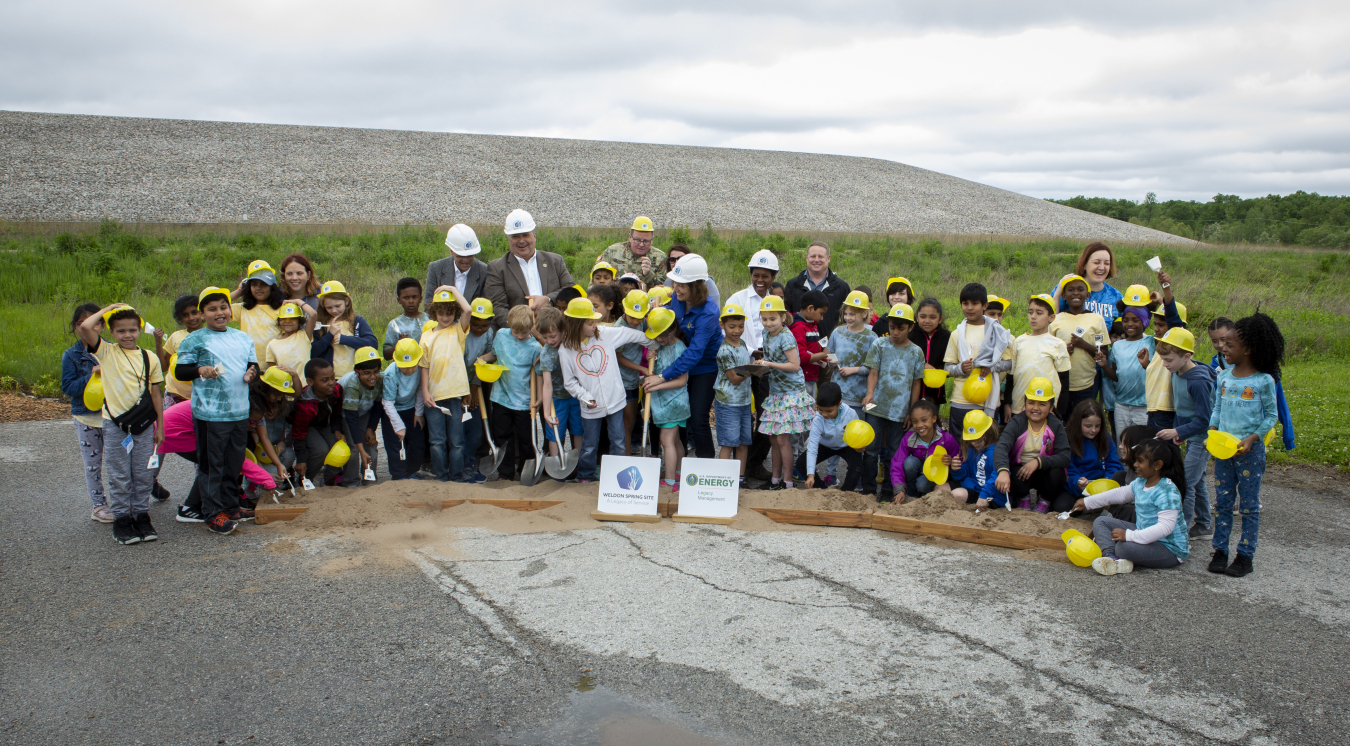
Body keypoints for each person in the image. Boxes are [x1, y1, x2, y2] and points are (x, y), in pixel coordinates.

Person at [172, 287, 259, 535]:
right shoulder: (195, 339)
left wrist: (252, 372)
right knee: (212, 465)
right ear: (202, 314)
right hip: (210, 414)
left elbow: (253, 366)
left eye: (223, 307)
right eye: (212, 309)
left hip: (239, 412)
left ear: (230, 310)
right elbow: (180, 371)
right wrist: (200, 370)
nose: (219, 313)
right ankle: (211, 514)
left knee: (234, 464)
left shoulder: (243, 338)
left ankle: (231, 507)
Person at [1207, 312, 1284, 578]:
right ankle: (1220, 550)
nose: (1223, 348)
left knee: (1249, 505)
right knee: (1223, 503)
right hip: (1224, 451)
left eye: (1229, 345)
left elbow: (1272, 417)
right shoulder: (1224, 377)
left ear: (1248, 349)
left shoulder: (1263, 381)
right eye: (1222, 344)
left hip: (1249, 453)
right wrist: (1213, 430)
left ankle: (1245, 556)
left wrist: (1253, 438)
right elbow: (1217, 408)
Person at [558, 298, 658, 482]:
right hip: (591, 406)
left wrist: (652, 345)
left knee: (619, 441)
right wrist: (585, 397)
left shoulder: (605, 334)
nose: (594, 325)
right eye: (590, 323)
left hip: (615, 400)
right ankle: (585, 476)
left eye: (594, 321)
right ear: (576, 324)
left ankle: (616, 477)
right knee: (589, 444)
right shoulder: (565, 349)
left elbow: (631, 335)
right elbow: (570, 382)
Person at [1075, 438, 1190, 575]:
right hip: (1143, 533)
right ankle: (1111, 558)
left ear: (1158, 465)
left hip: (1168, 548)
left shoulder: (1167, 491)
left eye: (1140, 461)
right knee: (1101, 522)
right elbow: (1119, 494)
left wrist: (1129, 535)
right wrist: (1088, 502)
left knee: (1124, 548)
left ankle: (1118, 554)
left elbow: (1165, 528)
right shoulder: (1141, 482)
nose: (1135, 464)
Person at [648, 254, 723, 460]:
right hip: (681, 364)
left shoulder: (709, 312)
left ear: (697, 286)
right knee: (679, 416)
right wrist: (658, 313)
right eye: (675, 283)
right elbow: (670, 320)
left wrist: (663, 376)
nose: (676, 288)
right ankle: (679, 468)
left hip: (703, 368)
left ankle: (705, 463)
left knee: (698, 418)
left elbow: (695, 353)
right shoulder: (677, 300)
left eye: (681, 284)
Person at [1152, 328, 1216, 540]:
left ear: (1187, 356)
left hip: (1203, 438)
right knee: (1196, 480)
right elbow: (1182, 408)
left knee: (1185, 483)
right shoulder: (1176, 371)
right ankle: (1205, 524)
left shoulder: (1198, 381)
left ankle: (1181, 530)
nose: (1164, 364)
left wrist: (1177, 431)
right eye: (1163, 359)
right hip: (1190, 435)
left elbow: (1205, 419)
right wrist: (1181, 433)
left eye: (1168, 359)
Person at [860, 304, 924, 501]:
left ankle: (888, 488)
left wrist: (912, 412)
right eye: (892, 327)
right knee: (871, 448)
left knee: (895, 452)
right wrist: (870, 392)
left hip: (899, 410)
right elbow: (873, 372)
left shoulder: (916, 352)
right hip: (875, 405)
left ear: (910, 327)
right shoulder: (880, 344)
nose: (895, 332)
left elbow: (916, 383)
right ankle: (869, 488)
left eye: (900, 328)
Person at [725, 248, 779, 480]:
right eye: (756, 274)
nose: (760, 280)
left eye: (765, 276)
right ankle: (738, 467)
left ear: (773, 277)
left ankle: (753, 464)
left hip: (768, 367)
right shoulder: (737, 299)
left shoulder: (776, 301)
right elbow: (725, 333)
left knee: (768, 416)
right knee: (741, 415)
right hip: (742, 364)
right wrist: (751, 351)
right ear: (750, 273)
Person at [62, 303, 112, 523]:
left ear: (101, 326)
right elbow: (68, 387)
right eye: (81, 322)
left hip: (112, 417)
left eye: (93, 321)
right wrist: (91, 376)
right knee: (93, 465)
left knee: (118, 462)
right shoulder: (71, 355)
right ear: (75, 327)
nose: (87, 326)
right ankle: (99, 505)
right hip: (86, 418)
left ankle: (122, 501)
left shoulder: (111, 350)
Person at [756, 295, 812, 490]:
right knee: (773, 436)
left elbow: (795, 365)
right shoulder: (765, 334)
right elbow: (770, 358)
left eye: (773, 319)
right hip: (775, 390)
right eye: (765, 319)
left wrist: (769, 364)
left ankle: (787, 483)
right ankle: (775, 479)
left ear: (783, 317)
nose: (768, 323)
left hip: (791, 392)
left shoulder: (786, 336)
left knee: (782, 438)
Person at [419, 286, 475, 483]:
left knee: (457, 441)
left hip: (455, 394)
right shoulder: (426, 336)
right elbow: (424, 365)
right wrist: (425, 391)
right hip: (434, 396)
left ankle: (457, 477)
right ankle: (442, 477)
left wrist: (452, 288)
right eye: (441, 313)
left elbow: (468, 310)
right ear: (434, 313)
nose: (445, 317)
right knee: (436, 441)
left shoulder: (458, 331)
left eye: (450, 312)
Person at [484, 209, 576, 329]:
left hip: (556, 331)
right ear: (509, 239)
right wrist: (523, 329)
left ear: (534, 236)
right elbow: (497, 307)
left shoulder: (555, 261)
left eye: (526, 235)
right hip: (518, 336)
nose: (521, 241)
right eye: (516, 236)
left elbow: (571, 289)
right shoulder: (497, 268)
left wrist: (547, 299)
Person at [479, 305, 541, 481]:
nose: (520, 337)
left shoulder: (535, 347)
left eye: (525, 332)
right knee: (501, 437)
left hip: (524, 401)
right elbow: (495, 355)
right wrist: (482, 361)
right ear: (508, 324)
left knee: (526, 439)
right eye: (516, 332)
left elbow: (538, 374)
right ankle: (505, 474)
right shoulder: (501, 336)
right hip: (501, 397)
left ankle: (525, 472)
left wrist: (537, 399)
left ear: (532, 327)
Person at [992, 376, 1071, 513]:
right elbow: (1001, 447)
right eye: (1031, 403)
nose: (1036, 408)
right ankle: (1023, 499)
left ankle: (1045, 501)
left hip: (1045, 471)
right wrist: (1003, 470)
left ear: (1051, 407)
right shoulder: (1017, 422)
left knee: (1058, 473)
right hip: (1022, 471)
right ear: (1025, 404)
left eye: (1042, 404)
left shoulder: (1056, 425)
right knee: (1013, 472)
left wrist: (1038, 462)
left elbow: (1065, 456)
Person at [944, 283, 1012, 435]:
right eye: (965, 303)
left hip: (988, 400)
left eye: (975, 303)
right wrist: (960, 368)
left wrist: (991, 367)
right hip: (961, 400)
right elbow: (947, 368)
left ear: (984, 305)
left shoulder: (998, 332)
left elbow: (1009, 363)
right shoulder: (957, 334)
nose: (969, 307)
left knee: (986, 444)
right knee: (959, 444)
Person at [826, 291, 876, 487]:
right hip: (839, 394)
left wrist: (855, 369)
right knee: (834, 434)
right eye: (846, 313)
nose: (848, 318)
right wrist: (831, 362)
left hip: (859, 396)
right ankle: (830, 474)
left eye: (853, 314)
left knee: (857, 438)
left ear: (865, 313)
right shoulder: (838, 333)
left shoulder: (871, 337)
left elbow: (873, 368)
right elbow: (829, 354)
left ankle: (856, 479)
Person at [643, 309, 692, 492]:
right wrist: (652, 357)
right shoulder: (660, 346)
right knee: (676, 440)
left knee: (666, 440)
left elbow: (681, 380)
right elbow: (658, 370)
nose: (659, 339)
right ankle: (678, 472)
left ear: (672, 330)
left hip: (675, 402)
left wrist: (655, 386)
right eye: (656, 336)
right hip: (664, 403)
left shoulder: (679, 348)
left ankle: (670, 480)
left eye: (661, 335)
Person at [1048, 275, 1108, 420]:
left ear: (1087, 295)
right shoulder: (1056, 320)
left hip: (1086, 384)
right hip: (1061, 383)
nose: (1075, 293)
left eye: (1080, 289)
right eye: (1071, 290)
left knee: (1083, 421)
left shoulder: (1096, 319)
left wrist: (1084, 345)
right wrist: (1063, 351)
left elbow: (1103, 353)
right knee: (1062, 420)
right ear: (1064, 295)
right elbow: (1048, 351)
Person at [289, 359, 353, 489]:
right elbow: (298, 433)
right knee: (320, 450)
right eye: (325, 380)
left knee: (337, 445)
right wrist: (301, 460)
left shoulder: (336, 390)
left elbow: (337, 412)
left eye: (333, 378)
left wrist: (337, 429)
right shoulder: (305, 405)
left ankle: (330, 478)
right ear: (310, 382)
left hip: (325, 423)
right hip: (307, 427)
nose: (331, 383)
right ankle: (304, 480)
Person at [537, 306, 583, 479]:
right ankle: (556, 465)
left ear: (563, 330)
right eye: (545, 337)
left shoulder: (573, 344)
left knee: (578, 430)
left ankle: (578, 464)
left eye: (553, 336)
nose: (549, 340)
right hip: (558, 398)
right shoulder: (547, 353)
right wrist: (547, 411)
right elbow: (547, 384)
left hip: (576, 396)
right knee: (555, 431)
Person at [1008, 294, 1071, 418]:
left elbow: (1064, 380)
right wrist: (1007, 403)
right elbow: (1011, 374)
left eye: (1039, 313)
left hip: (1046, 408)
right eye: (1030, 312)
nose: (1033, 316)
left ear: (1051, 317)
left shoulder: (1057, 344)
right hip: (1019, 406)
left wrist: (1060, 411)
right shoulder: (1020, 341)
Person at [1099, 285, 1153, 429]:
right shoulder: (1117, 346)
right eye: (1126, 320)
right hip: (1121, 405)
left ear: (1146, 321)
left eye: (1136, 320)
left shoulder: (1150, 342)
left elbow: (1172, 326)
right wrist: (1104, 365)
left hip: (1144, 406)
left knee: (1141, 445)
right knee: (1123, 445)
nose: (1130, 324)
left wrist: (1161, 299)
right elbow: (1117, 376)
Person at [714, 303, 754, 486]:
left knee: (744, 441)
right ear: (722, 325)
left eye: (740, 326)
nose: (737, 330)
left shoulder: (742, 343)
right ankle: (723, 477)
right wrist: (753, 371)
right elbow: (734, 378)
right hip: (728, 402)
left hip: (744, 401)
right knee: (728, 442)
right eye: (732, 326)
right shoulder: (724, 351)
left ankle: (740, 477)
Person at [799, 382, 863, 491]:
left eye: (829, 411)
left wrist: (859, 445)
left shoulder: (851, 414)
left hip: (846, 445)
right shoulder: (818, 419)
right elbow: (812, 447)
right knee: (801, 463)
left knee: (857, 466)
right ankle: (822, 490)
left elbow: (858, 433)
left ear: (839, 404)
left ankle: (846, 492)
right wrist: (810, 475)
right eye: (820, 409)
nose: (824, 414)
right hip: (825, 445)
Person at [1144, 270, 1187, 431]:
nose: (1156, 329)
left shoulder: (1175, 340)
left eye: (1161, 325)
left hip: (1165, 410)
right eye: (1155, 324)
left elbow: (1173, 318)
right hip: (1154, 408)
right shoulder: (1161, 345)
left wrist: (1166, 289)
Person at [892, 399, 958, 500]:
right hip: (918, 471)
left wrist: (951, 462)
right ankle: (911, 494)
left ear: (934, 419)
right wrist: (899, 489)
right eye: (915, 422)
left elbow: (959, 460)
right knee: (909, 462)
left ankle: (926, 496)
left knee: (922, 485)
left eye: (924, 420)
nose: (919, 425)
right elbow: (897, 462)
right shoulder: (909, 438)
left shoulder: (946, 439)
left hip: (935, 474)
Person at [310, 280, 378, 379]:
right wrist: (329, 335)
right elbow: (313, 352)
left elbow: (373, 343)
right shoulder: (320, 325)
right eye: (329, 307)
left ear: (346, 301)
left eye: (338, 306)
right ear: (323, 306)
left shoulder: (357, 321)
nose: (334, 310)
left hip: (354, 377)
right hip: (331, 379)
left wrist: (344, 339)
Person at [784, 242, 850, 338]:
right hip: (799, 344)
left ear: (828, 258)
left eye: (821, 256)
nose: (816, 260)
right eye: (813, 256)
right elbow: (786, 315)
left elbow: (847, 318)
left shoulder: (841, 287)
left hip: (830, 345)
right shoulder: (793, 284)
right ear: (807, 258)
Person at [381, 338, 425, 481]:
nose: (410, 370)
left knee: (416, 442)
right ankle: (398, 475)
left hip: (411, 408)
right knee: (395, 444)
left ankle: (411, 472)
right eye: (404, 366)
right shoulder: (390, 374)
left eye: (413, 365)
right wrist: (398, 425)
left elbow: (420, 389)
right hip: (392, 410)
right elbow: (387, 402)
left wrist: (418, 413)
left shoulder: (420, 369)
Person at [340, 347, 385, 487]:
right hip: (346, 414)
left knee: (371, 444)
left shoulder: (381, 379)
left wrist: (371, 428)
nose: (372, 377)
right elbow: (352, 420)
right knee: (353, 447)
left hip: (365, 412)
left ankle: (369, 478)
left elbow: (378, 405)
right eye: (367, 373)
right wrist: (361, 450)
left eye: (375, 372)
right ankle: (351, 481)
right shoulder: (351, 386)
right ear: (357, 372)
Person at [463, 298, 496, 480]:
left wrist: (475, 385)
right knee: (459, 431)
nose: (479, 329)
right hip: (457, 386)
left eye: (484, 325)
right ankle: (461, 466)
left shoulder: (489, 334)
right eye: (475, 324)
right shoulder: (461, 333)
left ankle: (470, 464)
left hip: (476, 384)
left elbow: (487, 358)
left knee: (476, 431)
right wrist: (466, 388)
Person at [1051, 241, 1122, 326]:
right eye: (1096, 262)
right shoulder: (1068, 288)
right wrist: (1057, 295)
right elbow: (1048, 324)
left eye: (1107, 263)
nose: (1102, 267)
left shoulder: (1116, 296)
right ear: (1084, 264)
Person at [615, 290, 650, 456]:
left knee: (631, 421)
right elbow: (619, 358)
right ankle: (624, 457)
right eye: (632, 317)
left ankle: (627, 456)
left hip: (634, 379)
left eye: (639, 317)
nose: (636, 321)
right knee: (625, 423)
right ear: (624, 309)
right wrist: (642, 369)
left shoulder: (642, 322)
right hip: (621, 380)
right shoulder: (618, 330)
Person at [229, 259, 285, 362]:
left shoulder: (281, 309)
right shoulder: (243, 308)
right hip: (248, 366)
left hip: (273, 365)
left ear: (272, 287)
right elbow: (216, 304)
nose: (258, 288)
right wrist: (239, 291)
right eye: (254, 284)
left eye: (263, 284)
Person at [1065, 400, 1124, 495]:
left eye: (1097, 426)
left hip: (1101, 484)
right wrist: (1077, 481)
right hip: (1079, 485)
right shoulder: (1067, 438)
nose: (1093, 430)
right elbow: (1067, 468)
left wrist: (1108, 478)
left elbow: (1114, 462)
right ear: (1077, 423)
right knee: (1063, 505)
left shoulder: (1105, 437)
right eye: (1088, 426)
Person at [426, 224, 489, 310]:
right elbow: (429, 307)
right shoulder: (436, 269)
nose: (465, 260)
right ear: (451, 251)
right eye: (460, 256)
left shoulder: (484, 271)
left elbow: (486, 309)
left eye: (470, 255)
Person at [949, 410, 1001, 508]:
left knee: (956, 494)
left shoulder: (995, 452)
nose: (974, 443)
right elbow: (964, 475)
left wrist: (984, 495)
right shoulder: (971, 449)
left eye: (978, 438)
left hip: (990, 496)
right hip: (972, 486)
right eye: (971, 439)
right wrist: (956, 469)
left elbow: (997, 476)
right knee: (940, 488)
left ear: (987, 432)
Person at [600, 216, 668, 288]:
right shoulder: (612, 252)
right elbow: (595, 280)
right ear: (630, 237)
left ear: (652, 240)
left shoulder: (660, 258)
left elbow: (664, 289)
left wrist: (649, 274)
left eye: (646, 241)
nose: (641, 245)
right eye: (637, 240)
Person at [159, 294, 203, 407]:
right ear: (180, 318)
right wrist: (158, 343)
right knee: (173, 424)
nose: (191, 318)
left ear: (202, 312)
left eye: (194, 312)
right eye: (185, 315)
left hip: (201, 394)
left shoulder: (213, 336)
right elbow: (164, 367)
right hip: (174, 394)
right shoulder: (176, 337)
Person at [264, 301, 316, 387]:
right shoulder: (272, 344)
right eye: (283, 319)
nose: (287, 321)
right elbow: (270, 370)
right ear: (279, 321)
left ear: (299, 322)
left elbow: (313, 314)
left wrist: (297, 301)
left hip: (305, 387)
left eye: (292, 318)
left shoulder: (304, 336)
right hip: (285, 388)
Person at [909, 297, 951, 405]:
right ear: (917, 317)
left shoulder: (947, 337)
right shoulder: (910, 335)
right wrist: (922, 365)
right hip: (910, 390)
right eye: (923, 316)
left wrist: (939, 371)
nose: (927, 321)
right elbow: (903, 357)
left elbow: (950, 363)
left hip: (935, 392)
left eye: (933, 317)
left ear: (940, 319)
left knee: (930, 420)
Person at [790, 290, 830, 397]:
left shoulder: (812, 325)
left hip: (811, 376)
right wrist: (824, 354)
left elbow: (812, 351)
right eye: (821, 314)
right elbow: (801, 357)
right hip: (801, 378)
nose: (822, 318)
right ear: (810, 308)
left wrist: (826, 360)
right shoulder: (798, 327)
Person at [384, 277, 429, 360]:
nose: (411, 301)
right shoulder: (395, 324)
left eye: (414, 297)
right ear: (399, 300)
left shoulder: (430, 319)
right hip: (407, 370)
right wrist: (399, 345)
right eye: (406, 298)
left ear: (420, 299)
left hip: (431, 368)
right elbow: (386, 355)